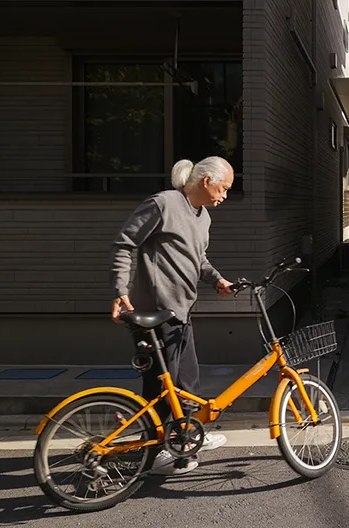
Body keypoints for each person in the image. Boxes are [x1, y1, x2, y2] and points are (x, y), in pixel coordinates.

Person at [110, 156, 235, 476]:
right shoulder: (164, 204)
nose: (225, 196)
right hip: (154, 313)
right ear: (206, 181)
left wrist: (216, 279)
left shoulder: (203, 216)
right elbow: (125, 243)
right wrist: (121, 290)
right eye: (224, 188)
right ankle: (162, 453)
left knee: (183, 383)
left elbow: (199, 259)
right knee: (164, 388)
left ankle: (180, 440)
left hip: (180, 312)